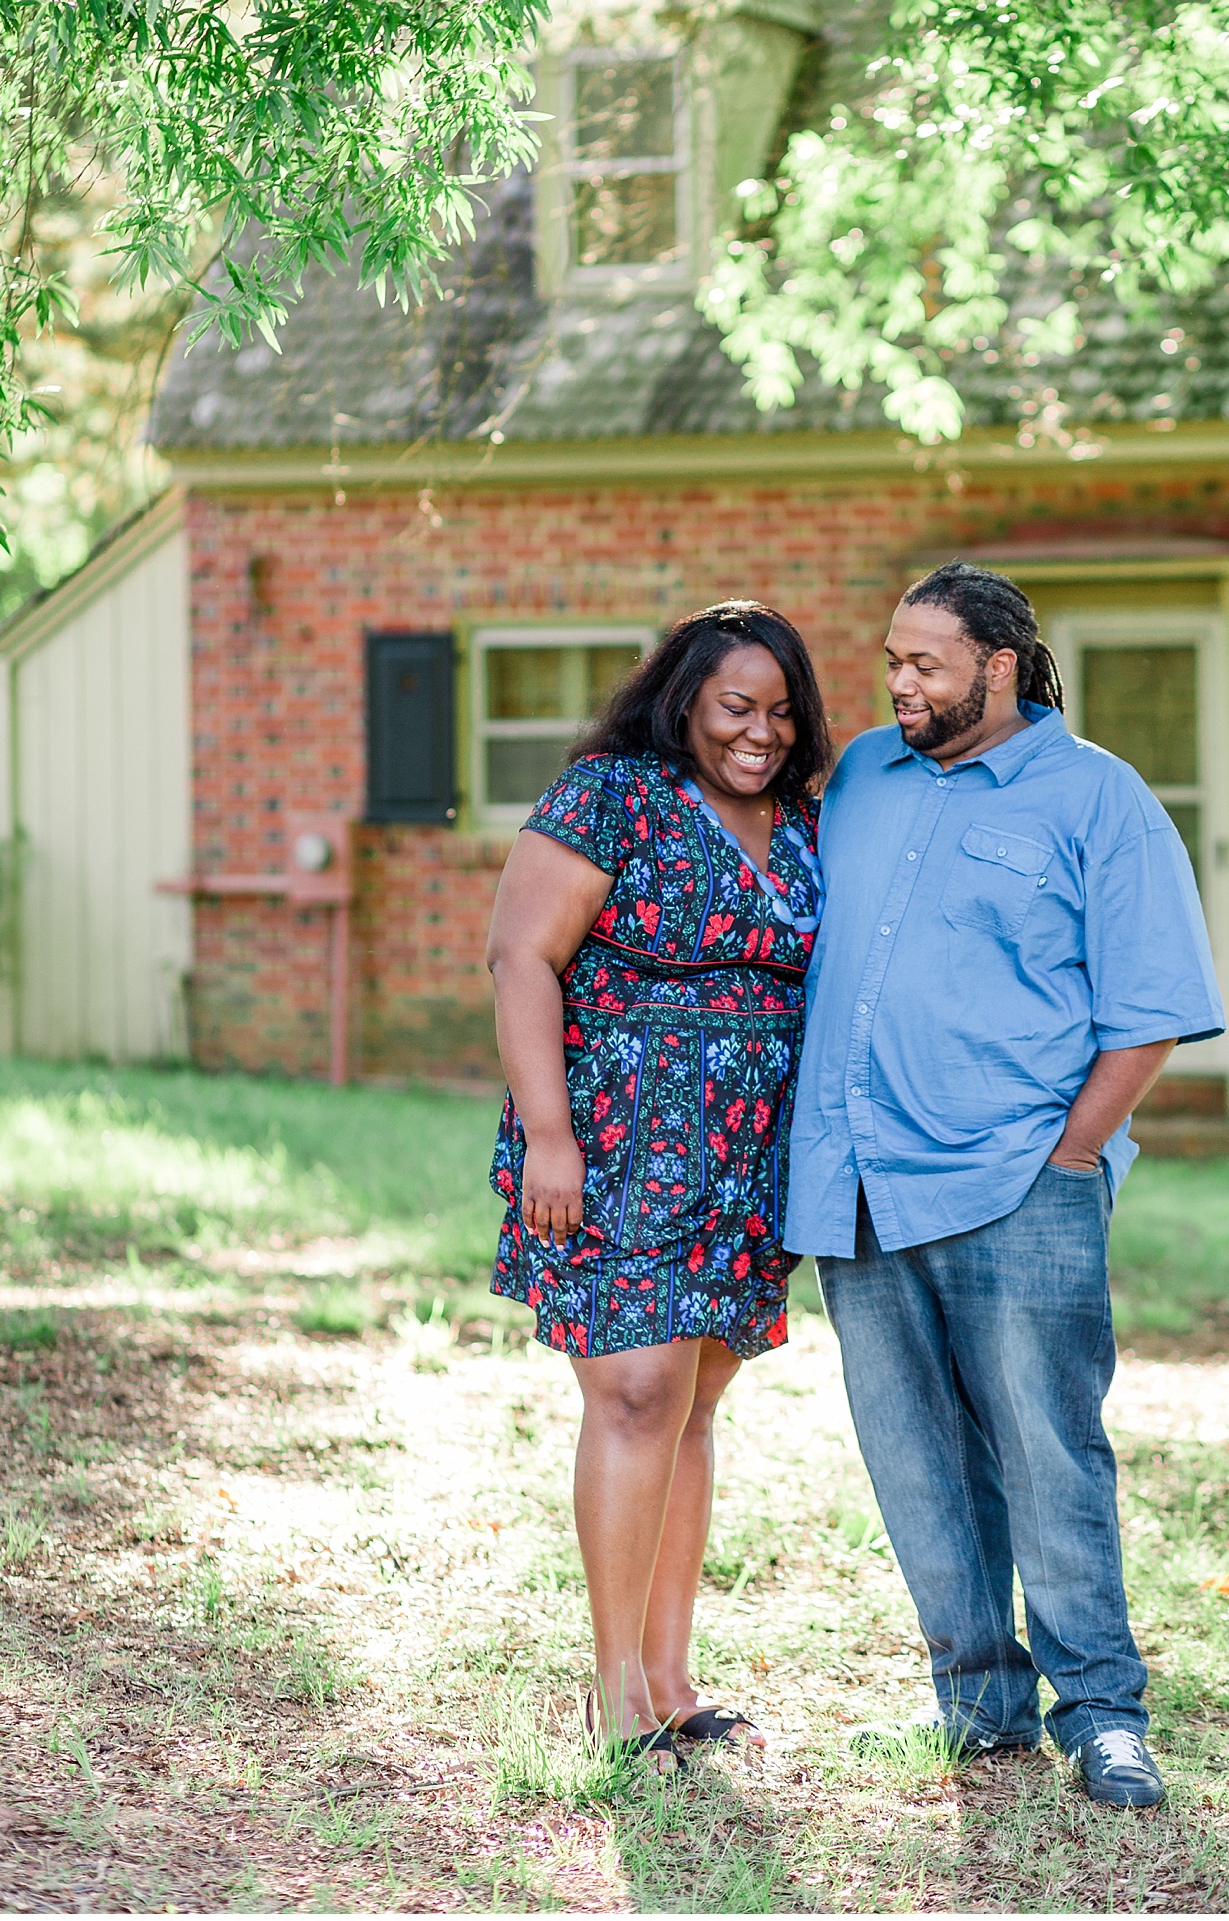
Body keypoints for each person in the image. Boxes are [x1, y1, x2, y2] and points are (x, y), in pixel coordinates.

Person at [785, 561, 1224, 1809]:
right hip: (859, 1183)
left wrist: (1070, 1154)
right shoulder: (865, 771)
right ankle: (979, 1709)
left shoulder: (1099, 798)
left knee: (1047, 1451)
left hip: (1016, 1181)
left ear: (999, 665)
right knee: (917, 1460)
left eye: (925, 661)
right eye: (891, 659)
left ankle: (1101, 1711)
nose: (898, 681)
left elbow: (1150, 1011)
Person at [488, 601, 830, 1772]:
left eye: (782, 710)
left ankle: (674, 1682)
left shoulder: (801, 818)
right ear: (682, 696)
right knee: (635, 1393)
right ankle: (616, 1692)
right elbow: (521, 954)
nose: (761, 731)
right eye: (738, 705)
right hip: (616, 1142)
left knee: (691, 1404)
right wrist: (548, 1132)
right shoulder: (611, 795)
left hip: (744, 1154)